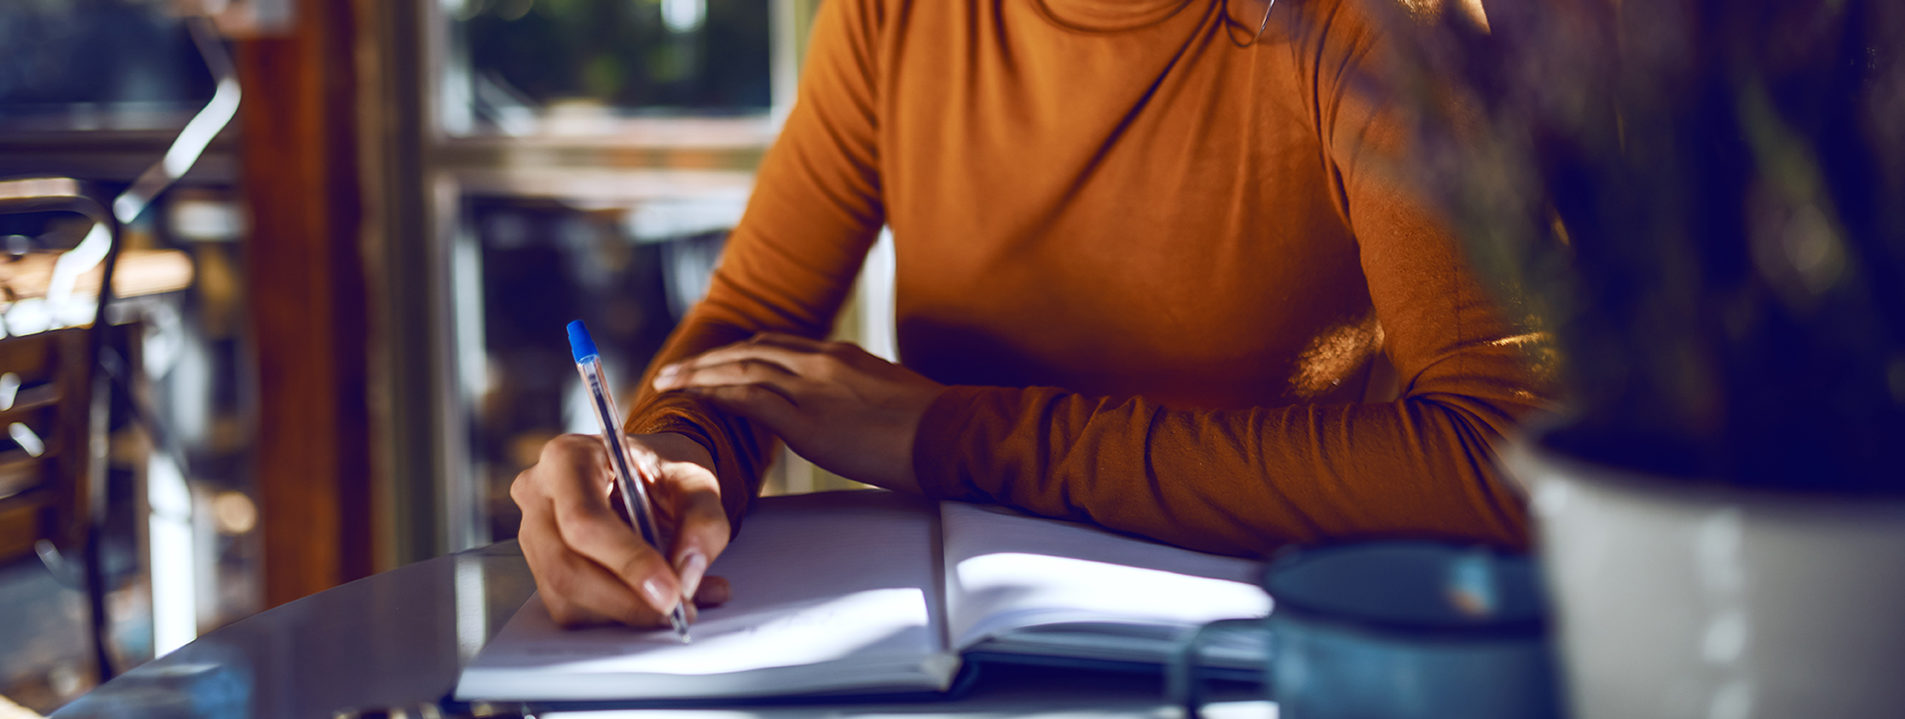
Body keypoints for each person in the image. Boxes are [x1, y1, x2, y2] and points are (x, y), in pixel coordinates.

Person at [509, 0, 1553, 628]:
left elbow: (1508, 456)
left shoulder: (1373, 20)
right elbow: (755, 320)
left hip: (1256, 653)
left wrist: (961, 436)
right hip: (954, 654)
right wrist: (667, 459)